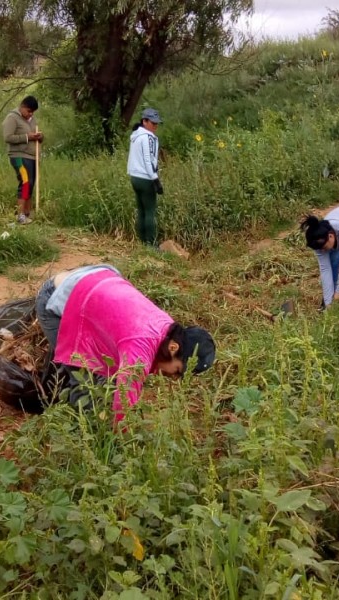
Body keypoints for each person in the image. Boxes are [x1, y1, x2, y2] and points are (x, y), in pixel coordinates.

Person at [35, 264, 215, 422]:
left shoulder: (166, 328)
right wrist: (118, 444)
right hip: (56, 297)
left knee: (106, 380)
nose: (174, 378)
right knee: (87, 384)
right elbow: (123, 408)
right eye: (177, 370)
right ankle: (82, 433)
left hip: (93, 280)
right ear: (173, 347)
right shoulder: (140, 346)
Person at [2, 95, 43, 225]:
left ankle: (27, 213)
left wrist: (40, 136)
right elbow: (8, 137)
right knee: (25, 182)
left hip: (32, 156)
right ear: (22, 106)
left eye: (32, 112)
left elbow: (35, 136)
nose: (30, 114)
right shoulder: (12, 118)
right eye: (29, 111)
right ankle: (20, 215)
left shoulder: (31, 119)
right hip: (18, 156)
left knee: (30, 183)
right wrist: (27, 137)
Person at [127, 108, 163, 246]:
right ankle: (151, 243)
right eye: (153, 123)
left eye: (157, 123)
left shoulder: (135, 136)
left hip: (135, 177)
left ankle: (142, 241)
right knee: (149, 211)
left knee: (141, 210)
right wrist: (155, 179)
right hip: (146, 178)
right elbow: (148, 160)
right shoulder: (148, 137)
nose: (155, 126)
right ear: (145, 121)